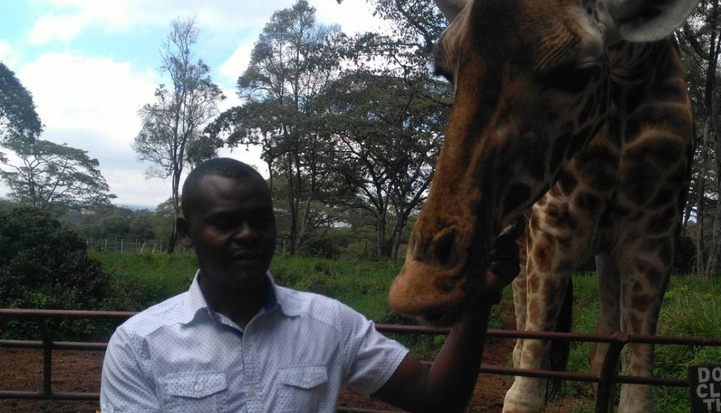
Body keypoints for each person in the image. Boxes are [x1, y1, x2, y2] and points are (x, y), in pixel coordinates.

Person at [100, 157, 520, 413]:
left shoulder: (329, 324)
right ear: (185, 232)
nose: (248, 234)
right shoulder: (139, 344)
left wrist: (480, 297)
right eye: (225, 223)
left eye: (261, 220)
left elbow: (436, 398)